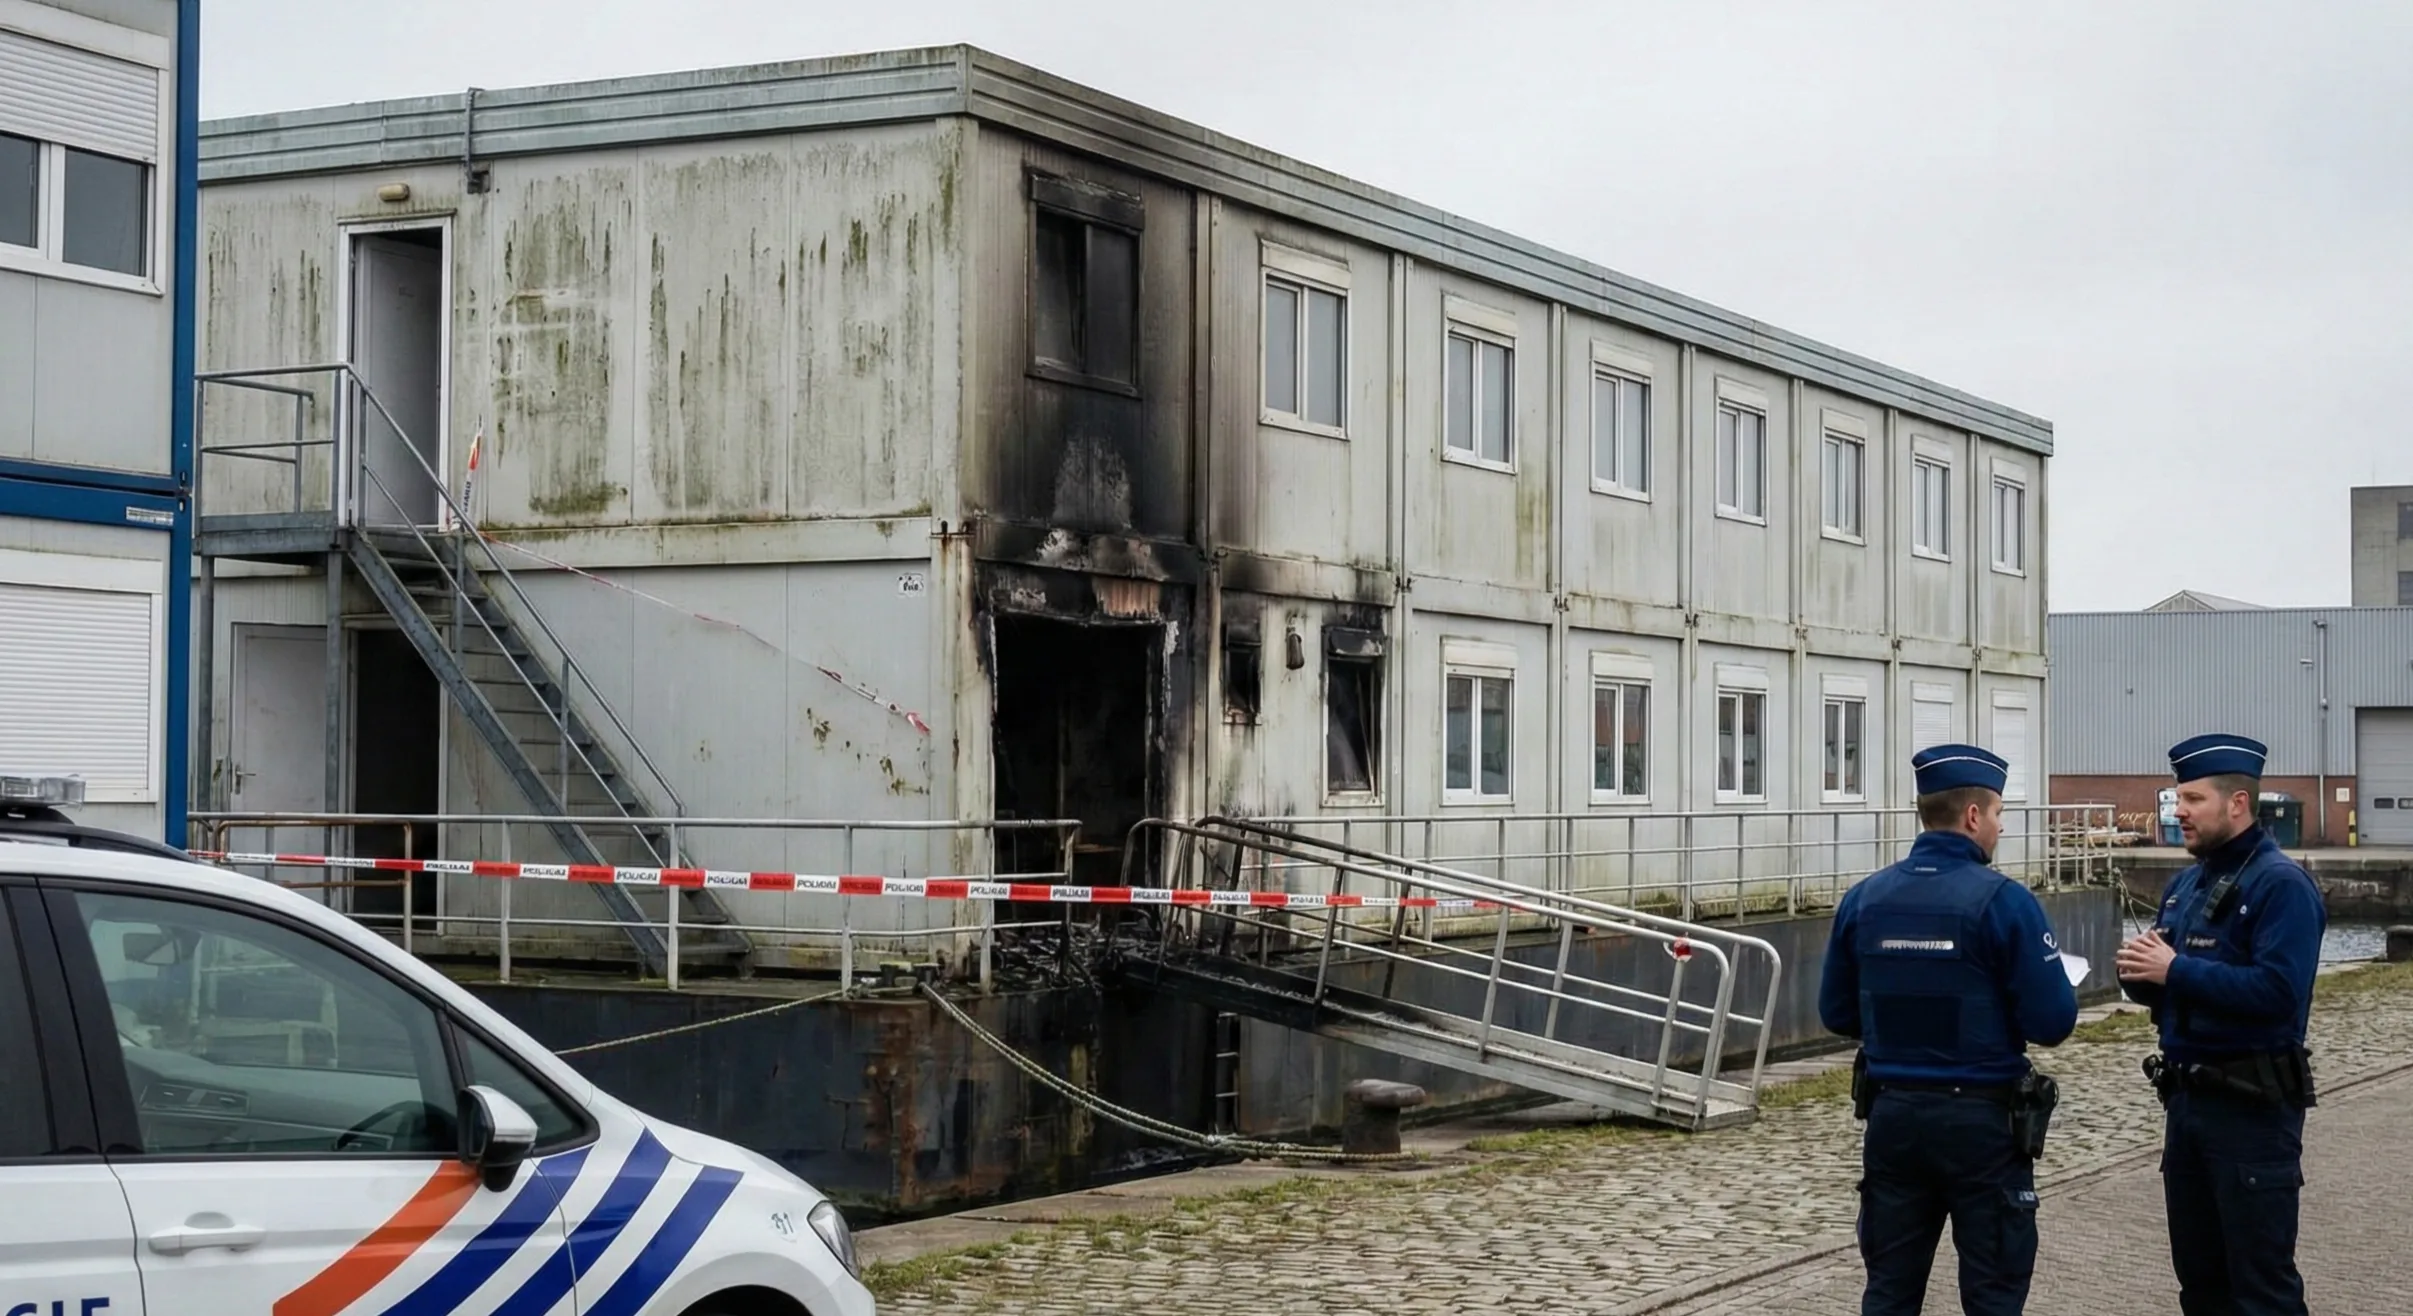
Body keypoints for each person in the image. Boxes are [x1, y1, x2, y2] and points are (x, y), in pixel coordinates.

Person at [1819, 743, 2081, 1316]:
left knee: (1889, 1290)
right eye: (1999, 814)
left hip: (1893, 1119)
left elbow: (1836, 1014)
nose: (2001, 826)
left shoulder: (1864, 898)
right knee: (1993, 1294)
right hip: (1981, 1124)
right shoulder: (2005, 902)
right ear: (1973, 816)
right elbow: (2053, 1021)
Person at [2115, 733, 2325, 1316]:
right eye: (2177, 798)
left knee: (2261, 1290)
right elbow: (2169, 986)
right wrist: (2139, 974)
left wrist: (2175, 969)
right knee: (2201, 1284)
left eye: (2192, 799)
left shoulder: (2281, 886)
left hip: (2250, 1111)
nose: (2177, 811)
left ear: (2237, 804)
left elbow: (2278, 993)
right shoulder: (2187, 885)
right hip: (2187, 1107)